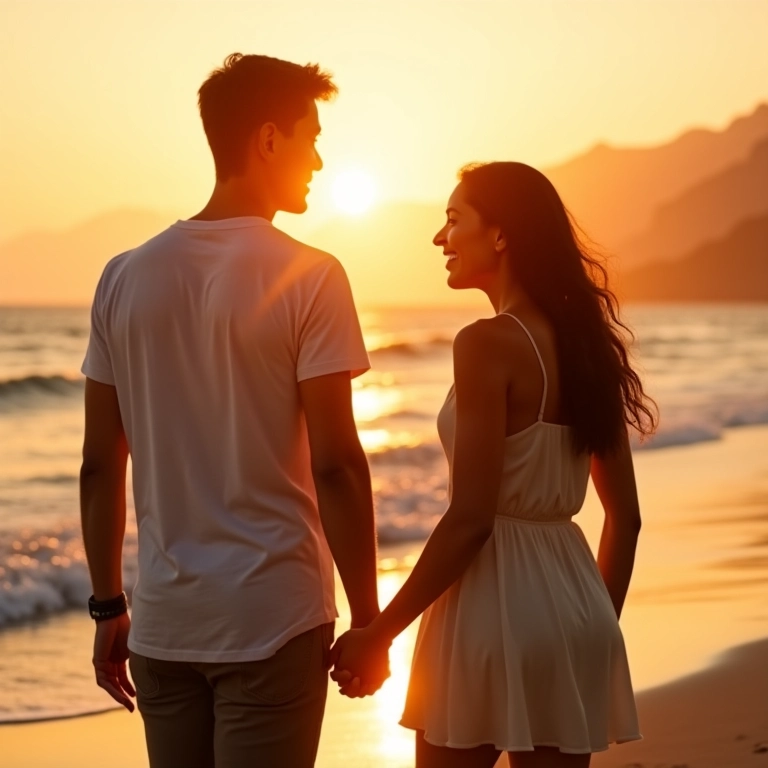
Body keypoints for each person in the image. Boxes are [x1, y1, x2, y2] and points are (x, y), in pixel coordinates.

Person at [79, 53, 388, 768]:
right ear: (268, 139)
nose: (319, 158)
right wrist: (369, 620)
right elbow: (338, 464)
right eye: (311, 136)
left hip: (162, 627)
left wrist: (107, 607)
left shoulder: (121, 277)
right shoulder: (311, 276)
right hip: (271, 619)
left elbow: (101, 464)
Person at [330, 161, 656, 767]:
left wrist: (381, 633)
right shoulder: (588, 348)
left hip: (485, 610)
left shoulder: (485, 343)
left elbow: (472, 519)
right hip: (574, 608)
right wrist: (593, 625)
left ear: (500, 235)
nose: (439, 238)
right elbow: (627, 519)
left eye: (454, 220)